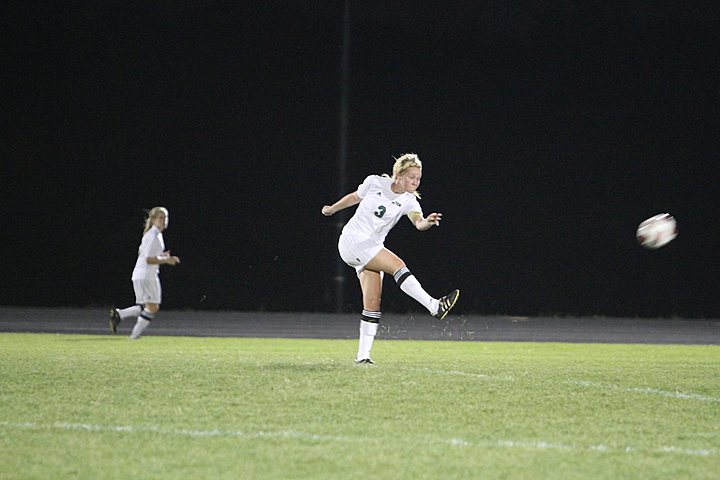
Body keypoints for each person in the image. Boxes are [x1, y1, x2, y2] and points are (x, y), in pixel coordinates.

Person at [322, 153, 459, 364]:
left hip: (372, 248)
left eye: (418, 178)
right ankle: (434, 306)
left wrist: (428, 222)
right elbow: (354, 197)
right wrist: (332, 208)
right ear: (399, 174)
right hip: (352, 241)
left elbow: (418, 223)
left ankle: (363, 356)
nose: (415, 181)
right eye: (412, 177)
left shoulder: (409, 201)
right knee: (398, 265)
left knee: (373, 303)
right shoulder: (374, 182)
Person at [109, 206, 180, 339]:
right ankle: (133, 336)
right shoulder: (153, 235)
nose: (164, 220)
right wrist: (166, 260)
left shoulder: (155, 234)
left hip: (143, 275)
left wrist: (163, 256)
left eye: (166, 218)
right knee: (152, 307)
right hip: (146, 275)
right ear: (153, 220)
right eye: (161, 218)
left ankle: (120, 314)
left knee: (147, 306)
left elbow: (147, 255)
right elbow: (148, 259)